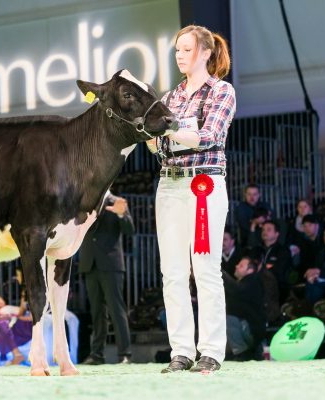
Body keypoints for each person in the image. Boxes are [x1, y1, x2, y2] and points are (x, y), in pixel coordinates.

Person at [146, 25, 235, 373]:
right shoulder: (170, 97)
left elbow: (210, 135)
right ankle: (180, 352)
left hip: (205, 185)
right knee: (172, 272)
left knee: (206, 269)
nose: (180, 56)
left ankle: (211, 351)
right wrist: (157, 135)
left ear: (206, 53)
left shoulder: (221, 91)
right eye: (177, 50)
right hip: (168, 185)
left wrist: (169, 131)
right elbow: (157, 146)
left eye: (187, 49)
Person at [79, 192, 134, 365]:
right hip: (90, 263)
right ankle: (97, 354)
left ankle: (125, 354)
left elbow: (130, 230)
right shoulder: (84, 202)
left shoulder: (117, 202)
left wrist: (121, 214)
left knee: (116, 309)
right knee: (97, 312)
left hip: (111, 263)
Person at [223, 256, 266, 361]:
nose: (236, 266)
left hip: (252, 331)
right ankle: (250, 351)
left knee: (228, 319)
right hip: (250, 330)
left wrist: (222, 274)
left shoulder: (253, 281)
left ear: (250, 270)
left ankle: (242, 352)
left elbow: (237, 291)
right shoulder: (246, 283)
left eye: (241, 266)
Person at [259, 221, 294, 304]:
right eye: (263, 230)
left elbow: (279, 271)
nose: (264, 232)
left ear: (276, 234)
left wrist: (261, 269)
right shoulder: (257, 250)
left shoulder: (283, 251)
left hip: (276, 286)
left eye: (268, 230)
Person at [304, 226, 325, 305]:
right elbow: (316, 267)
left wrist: (318, 272)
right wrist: (312, 274)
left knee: (316, 286)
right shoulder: (322, 252)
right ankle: (309, 307)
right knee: (310, 281)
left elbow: (319, 270)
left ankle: (312, 307)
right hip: (321, 279)